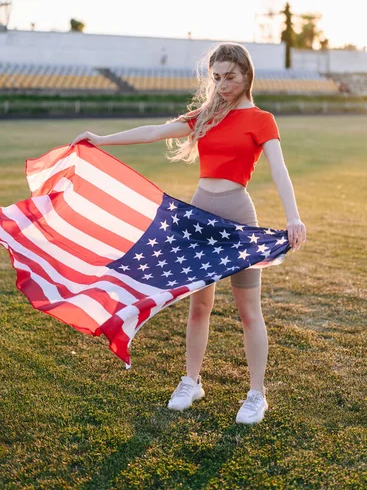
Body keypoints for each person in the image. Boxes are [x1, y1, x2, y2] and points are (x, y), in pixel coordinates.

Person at [70, 42, 307, 425]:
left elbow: (279, 169)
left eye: (230, 76)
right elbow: (153, 132)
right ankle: (191, 381)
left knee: (249, 312)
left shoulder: (262, 119)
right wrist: (102, 140)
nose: (223, 84)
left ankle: (256, 395)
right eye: (216, 77)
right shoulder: (206, 116)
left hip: (237, 221)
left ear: (247, 74)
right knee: (199, 306)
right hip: (197, 217)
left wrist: (293, 217)